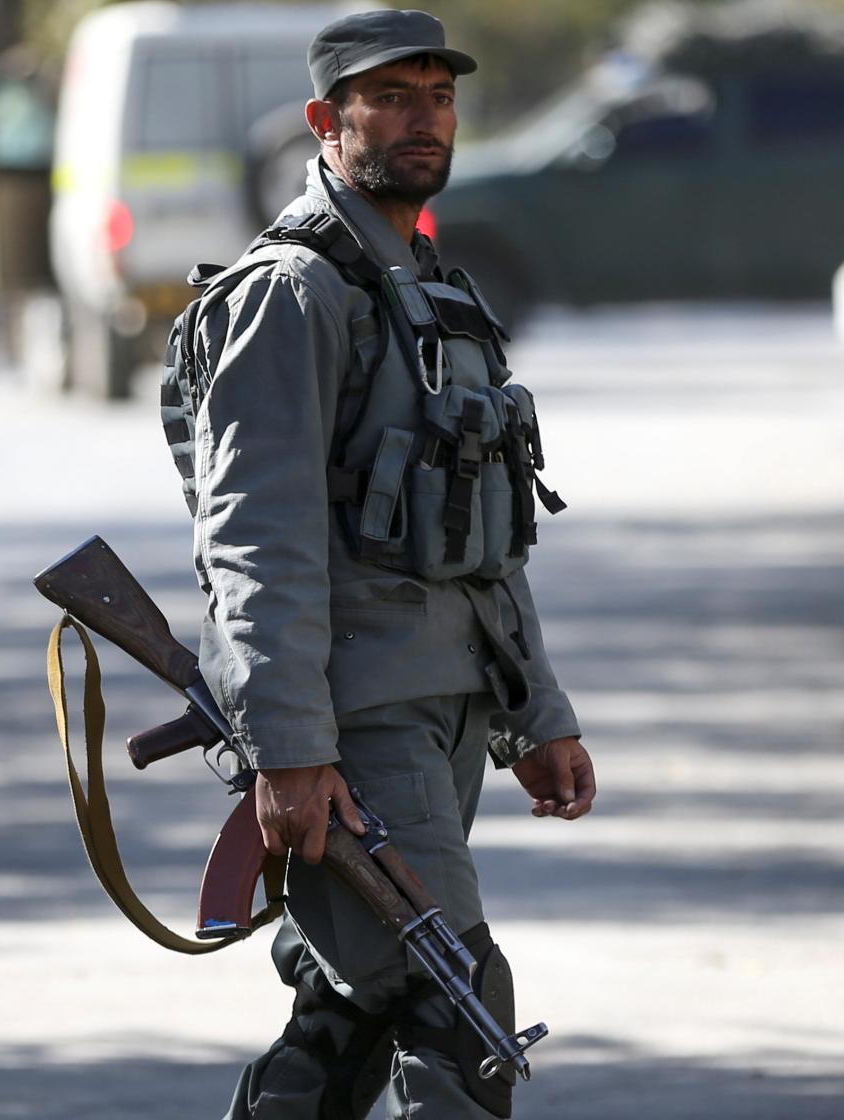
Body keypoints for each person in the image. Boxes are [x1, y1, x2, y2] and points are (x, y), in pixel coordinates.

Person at [186, 10, 596, 1118]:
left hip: (445, 713)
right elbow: (252, 538)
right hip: (359, 729)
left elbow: (488, 529)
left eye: (440, 96)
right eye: (393, 98)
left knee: (354, 1006)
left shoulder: (426, 284)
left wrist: (537, 711)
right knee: (458, 1006)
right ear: (327, 122)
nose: (425, 118)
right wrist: (288, 745)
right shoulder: (295, 291)